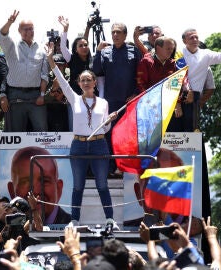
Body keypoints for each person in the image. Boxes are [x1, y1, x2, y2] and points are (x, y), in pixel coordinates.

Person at [47, 42, 119, 229]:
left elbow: (104, 129)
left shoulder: (103, 103)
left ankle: (110, 219)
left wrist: (110, 120)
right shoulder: (74, 98)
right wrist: (50, 60)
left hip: (99, 145)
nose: (86, 83)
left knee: (102, 185)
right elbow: (62, 80)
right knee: (78, 185)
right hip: (78, 145)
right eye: (83, 80)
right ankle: (74, 220)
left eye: (89, 80)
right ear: (79, 84)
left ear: (95, 83)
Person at [93, 22, 141, 176]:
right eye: (113, 32)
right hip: (111, 101)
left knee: (128, 136)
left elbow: (141, 76)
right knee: (110, 135)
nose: (115, 35)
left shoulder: (134, 51)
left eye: (119, 32)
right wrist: (98, 52)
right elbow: (96, 71)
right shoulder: (105, 51)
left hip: (130, 101)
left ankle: (126, 168)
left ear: (125, 35)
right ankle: (110, 169)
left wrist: (135, 93)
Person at [180, 28, 221, 131]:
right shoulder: (178, 54)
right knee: (174, 131)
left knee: (191, 131)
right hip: (177, 97)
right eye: (191, 37)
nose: (195, 40)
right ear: (184, 41)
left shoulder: (205, 54)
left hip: (194, 98)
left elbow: (220, 56)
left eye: (196, 37)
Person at [0, 10, 49, 132]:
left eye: (31, 29)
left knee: (42, 131)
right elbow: (2, 35)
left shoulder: (42, 49)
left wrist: (42, 95)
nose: (29, 32)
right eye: (25, 29)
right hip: (15, 96)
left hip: (35, 95)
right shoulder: (11, 46)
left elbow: (44, 75)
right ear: (19, 31)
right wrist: (9, 22)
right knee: (16, 132)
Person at [7, 146, 71, 225]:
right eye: (25, 182)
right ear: (12, 191)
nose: (36, 191)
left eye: (44, 181)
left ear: (58, 189)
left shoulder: (73, 227)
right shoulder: (11, 227)